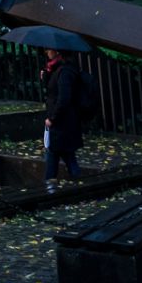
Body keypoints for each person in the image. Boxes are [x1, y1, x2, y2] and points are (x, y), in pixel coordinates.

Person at [43, 50, 84, 191]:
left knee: (56, 153)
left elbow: (63, 98)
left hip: (62, 122)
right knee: (65, 154)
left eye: (49, 49)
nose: (47, 52)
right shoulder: (58, 70)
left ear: (57, 52)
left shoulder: (65, 72)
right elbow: (52, 92)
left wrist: (52, 118)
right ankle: (53, 186)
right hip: (63, 122)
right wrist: (47, 76)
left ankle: (50, 187)